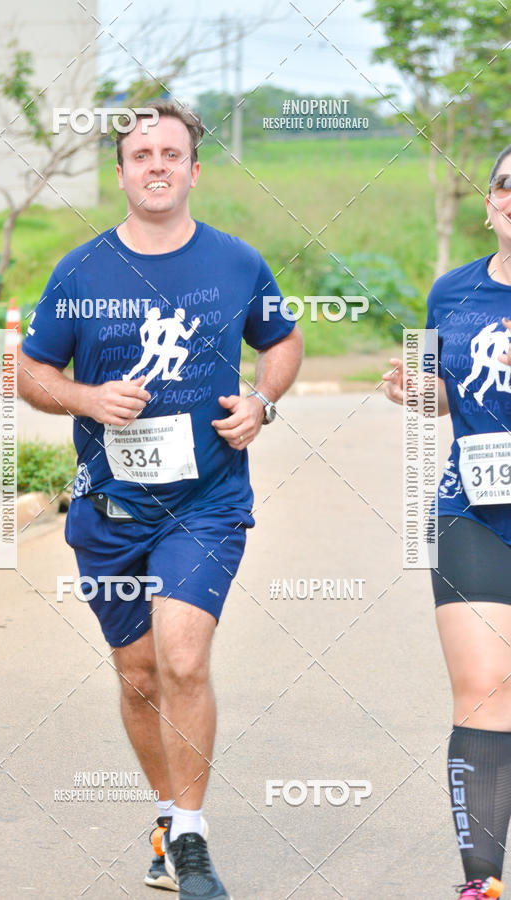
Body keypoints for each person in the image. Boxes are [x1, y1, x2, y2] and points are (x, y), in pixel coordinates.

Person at [18, 99, 303, 900]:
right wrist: (85, 400)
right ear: (121, 173)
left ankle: (192, 836)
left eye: (170, 153)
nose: (155, 165)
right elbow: (30, 372)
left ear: (193, 170)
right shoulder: (80, 272)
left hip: (206, 500)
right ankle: (165, 815)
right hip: (110, 509)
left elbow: (281, 338)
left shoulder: (236, 263)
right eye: (141, 154)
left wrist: (263, 402)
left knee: (182, 656)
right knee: (140, 673)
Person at [383, 145, 511, 899]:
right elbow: (439, 391)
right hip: (472, 510)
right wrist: (415, 391)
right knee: (485, 687)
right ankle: (483, 884)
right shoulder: (451, 292)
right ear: (491, 200)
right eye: (506, 183)